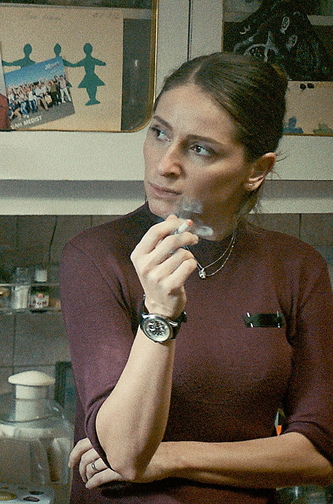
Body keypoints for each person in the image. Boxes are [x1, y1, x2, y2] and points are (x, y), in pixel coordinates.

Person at [61, 52, 333, 503]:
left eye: (199, 148)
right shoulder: (96, 257)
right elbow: (125, 451)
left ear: (256, 170)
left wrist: (169, 458)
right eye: (159, 132)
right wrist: (160, 313)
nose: (165, 164)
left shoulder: (296, 267)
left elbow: (319, 455)